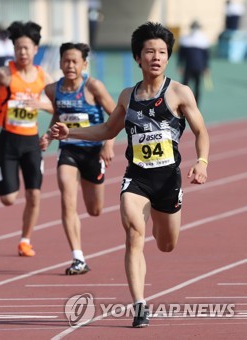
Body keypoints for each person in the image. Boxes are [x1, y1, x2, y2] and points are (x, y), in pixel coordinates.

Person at [49, 22, 209, 328]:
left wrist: (201, 161)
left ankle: (160, 222)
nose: (156, 57)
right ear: (138, 57)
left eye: (162, 52)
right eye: (150, 51)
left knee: (166, 244)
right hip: (136, 179)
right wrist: (71, 132)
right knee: (133, 235)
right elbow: (108, 130)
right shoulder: (127, 96)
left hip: (167, 180)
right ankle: (139, 305)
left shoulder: (179, 92)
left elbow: (201, 131)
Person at [0, 21, 54, 257]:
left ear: (36, 49)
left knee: (34, 194)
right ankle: (4, 177)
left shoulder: (44, 77)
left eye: (27, 48)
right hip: (9, 142)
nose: (22, 52)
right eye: (18, 48)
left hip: (32, 142)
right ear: (13, 50)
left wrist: (41, 104)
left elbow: (60, 106)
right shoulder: (3, 74)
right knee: (8, 199)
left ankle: (25, 240)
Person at [39, 42, 116, 275]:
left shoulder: (93, 86)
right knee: (67, 198)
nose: (70, 65)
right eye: (66, 61)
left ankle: (90, 187)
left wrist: (108, 145)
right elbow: (58, 116)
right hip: (68, 150)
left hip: (93, 151)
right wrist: (48, 137)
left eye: (75, 61)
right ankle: (78, 258)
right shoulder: (53, 89)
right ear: (60, 63)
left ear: (84, 64)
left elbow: (116, 116)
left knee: (95, 210)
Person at [178, 21, 210, 106]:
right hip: (188, 67)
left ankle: (196, 104)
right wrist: (180, 65)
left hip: (198, 67)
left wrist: (206, 67)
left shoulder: (203, 39)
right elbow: (181, 55)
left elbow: (206, 55)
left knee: (197, 86)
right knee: (184, 86)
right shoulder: (185, 39)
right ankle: (182, 102)